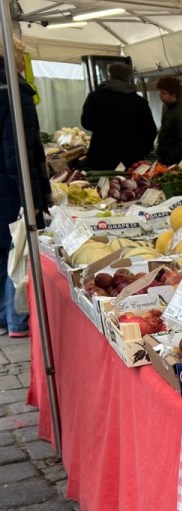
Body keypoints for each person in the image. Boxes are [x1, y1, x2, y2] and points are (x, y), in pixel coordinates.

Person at [0, 37, 49, 338]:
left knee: (2, 250)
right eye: (22, 54)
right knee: (18, 247)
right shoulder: (14, 90)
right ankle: (18, 320)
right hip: (10, 186)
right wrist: (31, 195)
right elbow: (18, 151)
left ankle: (5, 317)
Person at [81, 63, 156, 170]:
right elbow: (150, 131)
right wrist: (140, 151)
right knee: (129, 186)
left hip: (101, 156)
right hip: (130, 158)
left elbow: (86, 123)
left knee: (99, 185)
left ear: (110, 75)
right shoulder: (139, 102)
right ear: (128, 77)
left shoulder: (95, 97)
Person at [155, 76, 182, 166]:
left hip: (174, 162)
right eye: (160, 92)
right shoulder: (165, 107)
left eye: (163, 93)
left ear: (173, 95)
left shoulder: (181, 113)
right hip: (164, 159)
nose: (160, 95)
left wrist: (170, 158)